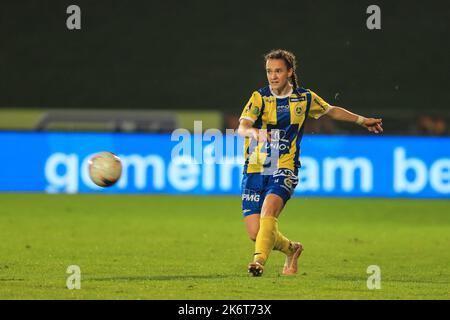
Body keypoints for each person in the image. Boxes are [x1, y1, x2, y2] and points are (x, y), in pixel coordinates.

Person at [237, 49, 383, 277]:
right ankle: (292, 249)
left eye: (278, 71)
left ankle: (258, 262)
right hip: (255, 169)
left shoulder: (304, 98)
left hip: (285, 166)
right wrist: (255, 132)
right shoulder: (259, 97)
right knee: (256, 234)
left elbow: (331, 111)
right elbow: (242, 127)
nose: (273, 76)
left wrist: (363, 121)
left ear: (289, 72)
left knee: (269, 213)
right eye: (269, 71)